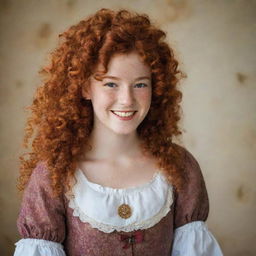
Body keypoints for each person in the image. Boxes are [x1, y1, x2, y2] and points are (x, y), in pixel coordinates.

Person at [13, 8, 223, 256]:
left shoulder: (179, 168)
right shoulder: (54, 176)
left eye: (140, 84)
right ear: (85, 88)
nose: (127, 100)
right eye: (111, 83)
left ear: (156, 88)